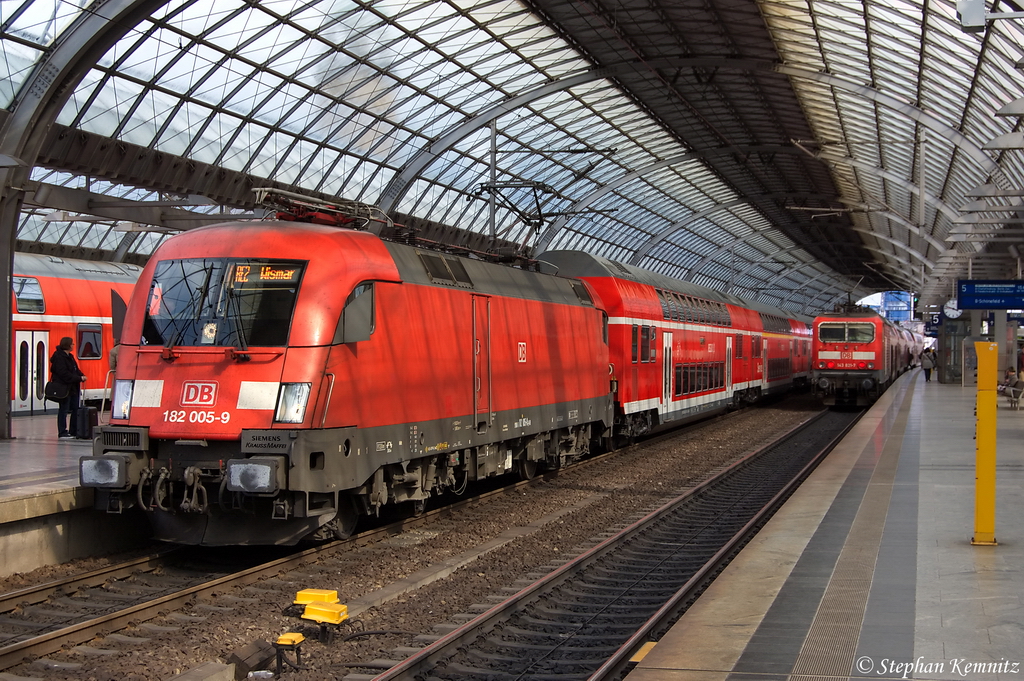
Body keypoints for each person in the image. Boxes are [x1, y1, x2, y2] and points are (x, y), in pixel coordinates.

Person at [50, 336, 86, 439]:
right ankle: (62, 432)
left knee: (75, 408)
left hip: (73, 387)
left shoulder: (70, 356)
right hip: (64, 388)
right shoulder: (59, 357)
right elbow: (63, 373)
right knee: (64, 409)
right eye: (72, 344)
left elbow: (75, 369)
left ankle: (73, 431)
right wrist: (78, 378)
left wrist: (81, 376)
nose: (73, 345)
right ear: (68, 345)